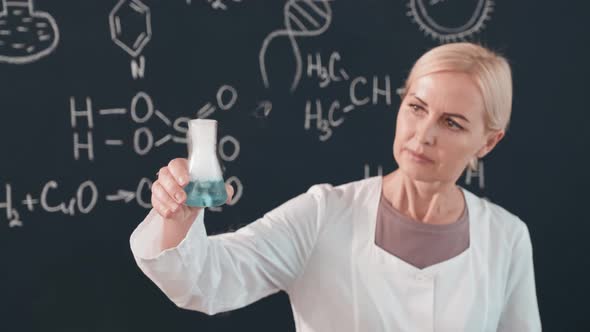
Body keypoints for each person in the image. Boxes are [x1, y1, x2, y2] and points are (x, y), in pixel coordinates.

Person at [130, 42, 542, 331]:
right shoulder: (325, 214)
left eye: (452, 123)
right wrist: (180, 219)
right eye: (416, 108)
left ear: (488, 141)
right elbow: (207, 281)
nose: (423, 134)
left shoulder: (506, 238)